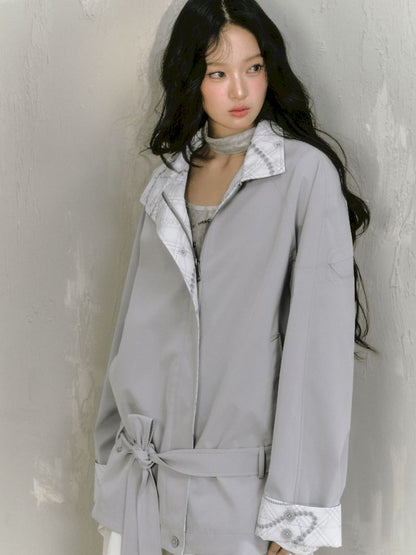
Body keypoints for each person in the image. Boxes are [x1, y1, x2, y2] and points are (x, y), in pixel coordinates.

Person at [91, 1, 373, 554]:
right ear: (191, 80)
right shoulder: (166, 183)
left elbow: (317, 357)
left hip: (239, 505)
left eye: (254, 67)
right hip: (141, 495)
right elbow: (131, 332)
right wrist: (108, 465)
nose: (240, 90)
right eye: (217, 73)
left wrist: (295, 515)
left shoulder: (303, 175)